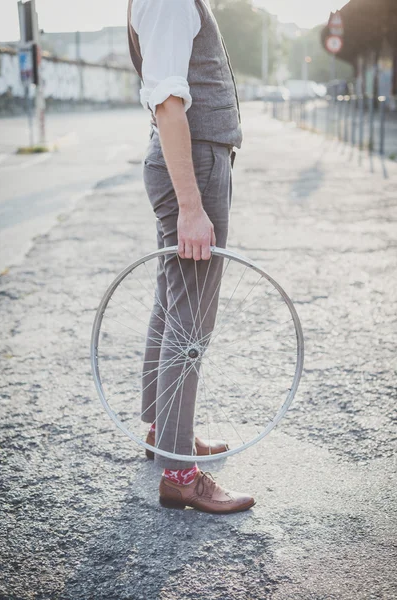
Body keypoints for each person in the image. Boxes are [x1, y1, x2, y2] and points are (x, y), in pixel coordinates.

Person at [127, 0, 255, 513]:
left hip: (197, 158)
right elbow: (168, 103)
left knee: (174, 300)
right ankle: (180, 472)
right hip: (194, 162)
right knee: (191, 318)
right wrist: (190, 206)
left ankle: (166, 433)